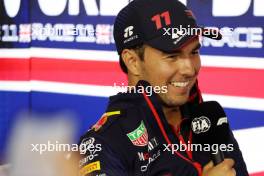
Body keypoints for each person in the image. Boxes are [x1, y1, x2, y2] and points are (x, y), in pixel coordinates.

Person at [79, 0, 249, 175]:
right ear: (133, 61)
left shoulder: (210, 120)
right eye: (172, 56)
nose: (189, 69)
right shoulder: (104, 142)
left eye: (194, 52)